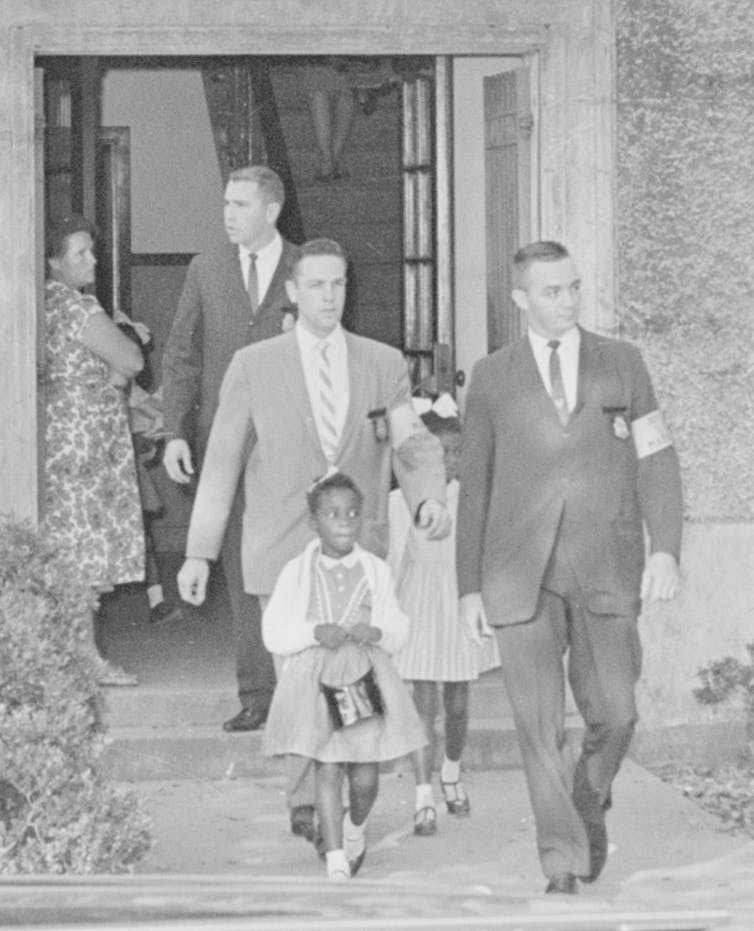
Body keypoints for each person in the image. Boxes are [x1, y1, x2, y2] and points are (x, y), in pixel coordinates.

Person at [177, 236, 449, 850]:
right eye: (318, 285)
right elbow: (221, 462)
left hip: (357, 554)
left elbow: (408, 442)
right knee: (298, 680)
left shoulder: (381, 363)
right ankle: (306, 803)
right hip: (281, 551)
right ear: (294, 293)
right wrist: (198, 551)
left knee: (354, 675)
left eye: (339, 284)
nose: (330, 296)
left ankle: (351, 794)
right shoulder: (254, 364)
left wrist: (429, 495)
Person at [456, 240, 683, 895]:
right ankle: (561, 857)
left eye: (573, 288)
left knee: (617, 711)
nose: (567, 301)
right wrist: (468, 585)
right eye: (552, 291)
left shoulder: (623, 363)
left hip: (605, 563)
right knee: (537, 724)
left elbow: (656, 458)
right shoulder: (492, 376)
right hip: (516, 573)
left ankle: (588, 797)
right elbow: (474, 484)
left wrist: (664, 545)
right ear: (521, 298)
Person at [162, 164, 297, 733]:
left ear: (271, 210)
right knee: (241, 566)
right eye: (225, 203)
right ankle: (258, 693)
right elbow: (181, 354)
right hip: (227, 441)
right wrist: (174, 431)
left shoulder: (307, 268)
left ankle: (305, 690)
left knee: (294, 565)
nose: (228, 215)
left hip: (293, 443)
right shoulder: (207, 268)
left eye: (240, 204)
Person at [262, 472, 426, 880]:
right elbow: (273, 632)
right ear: (313, 521)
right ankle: (335, 859)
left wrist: (379, 632)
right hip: (316, 682)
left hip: (361, 681)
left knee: (365, 775)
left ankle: (355, 827)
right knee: (328, 767)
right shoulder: (296, 573)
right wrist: (313, 632)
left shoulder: (375, 571)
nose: (344, 521)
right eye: (333, 513)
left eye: (353, 513)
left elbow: (400, 627)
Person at [387, 394, 500, 837]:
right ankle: (422, 792)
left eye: (457, 452)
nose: (449, 463)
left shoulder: (474, 501)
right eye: (440, 453)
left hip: (458, 601)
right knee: (424, 703)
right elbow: (397, 559)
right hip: (419, 603)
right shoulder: (404, 503)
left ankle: (451, 770)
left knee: (456, 701)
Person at [43, 214, 145, 687]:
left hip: (60, 430)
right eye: (80, 253)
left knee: (70, 545)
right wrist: (119, 373)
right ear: (54, 262)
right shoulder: (77, 307)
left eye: (92, 250)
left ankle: (71, 656)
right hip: (86, 434)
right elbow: (131, 358)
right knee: (85, 547)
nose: (93, 259)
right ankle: (86, 660)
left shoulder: (43, 303)